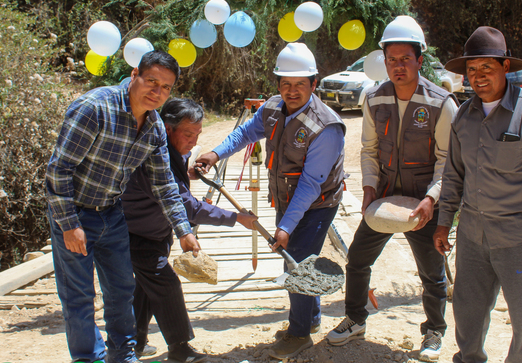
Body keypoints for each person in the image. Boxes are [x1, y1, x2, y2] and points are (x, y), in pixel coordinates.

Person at [46, 51, 200, 363]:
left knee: (121, 292)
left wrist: (183, 230)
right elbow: (58, 171)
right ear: (134, 75)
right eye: (152, 81)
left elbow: (164, 184)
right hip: (75, 214)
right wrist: (69, 224)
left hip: (113, 215)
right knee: (79, 298)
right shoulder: (95, 108)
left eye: (166, 87)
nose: (157, 92)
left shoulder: (155, 127)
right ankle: (88, 358)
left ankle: (123, 356)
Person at [196, 42, 346, 360]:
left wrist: (286, 226)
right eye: (286, 84)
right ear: (278, 83)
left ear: (314, 84)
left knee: (298, 261)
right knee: (297, 257)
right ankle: (311, 318)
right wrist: (215, 152)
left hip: (318, 203)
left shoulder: (326, 126)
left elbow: (310, 183)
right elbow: (245, 134)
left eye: (300, 85)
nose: (292, 91)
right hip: (285, 196)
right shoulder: (273, 108)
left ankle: (299, 333)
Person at [433, 26, 522, 363]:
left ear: (505, 67)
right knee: (467, 310)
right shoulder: (464, 116)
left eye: (487, 68)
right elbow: (453, 175)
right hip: (472, 235)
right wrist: (443, 222)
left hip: (520, 237)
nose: (478, 77)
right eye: (472, 70)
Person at [326, 16, 459, 362]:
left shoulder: (441, 104)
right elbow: (368, 150)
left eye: (405, 59)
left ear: (419, 59)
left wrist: (432, 199)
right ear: (383, 61)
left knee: (431, 271)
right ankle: (355, 318)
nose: (398, 66)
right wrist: (370, 190)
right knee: (357, 260)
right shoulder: (373, 98)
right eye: (391, 59)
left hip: (424, 201)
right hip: (384, 196)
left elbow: (449, 162)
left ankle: (433, 331)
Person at [120, 98, 258, 363]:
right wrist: (236, 218)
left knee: (148, 287)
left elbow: (180, 169)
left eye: (198, 135)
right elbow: (189, 208)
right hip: (136, 234)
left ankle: (134, 342)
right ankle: (180, 349)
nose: (194, 142)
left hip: (156, 232)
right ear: (167, 129)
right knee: (165, 283)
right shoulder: (152, 155)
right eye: (188, 134)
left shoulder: (172, 148)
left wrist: (191, 171)